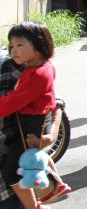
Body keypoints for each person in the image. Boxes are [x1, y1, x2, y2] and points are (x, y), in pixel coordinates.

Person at [0, 22, 59, 209]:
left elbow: (12, 102)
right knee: (33, 160)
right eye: (11, 46)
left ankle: (34, 206)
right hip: (31, 123)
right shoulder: (35, 68)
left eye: (19, 45)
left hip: (30, 126)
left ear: (39, 46)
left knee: (13, 170)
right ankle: (56, 187)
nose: (13, 50)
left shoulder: (35, 73)